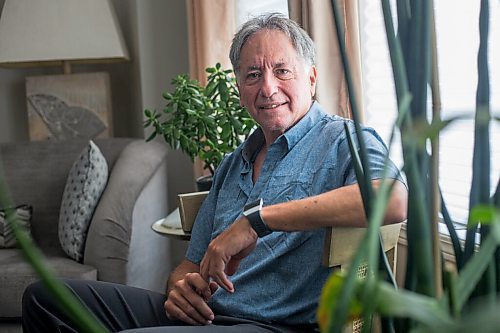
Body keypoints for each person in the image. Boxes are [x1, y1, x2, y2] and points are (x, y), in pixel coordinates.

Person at [22, 13, 407, 333]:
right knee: (46, 298)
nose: (268, 87)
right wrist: (179, 289)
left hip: (272, 326)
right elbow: (191, 266)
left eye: (282, 71)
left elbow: (393, 199)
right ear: (239, 87)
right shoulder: (233, 162)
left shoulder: (344, 140)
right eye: (253, 75)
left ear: (311, 77)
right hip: (208, 317)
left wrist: (256, 222)